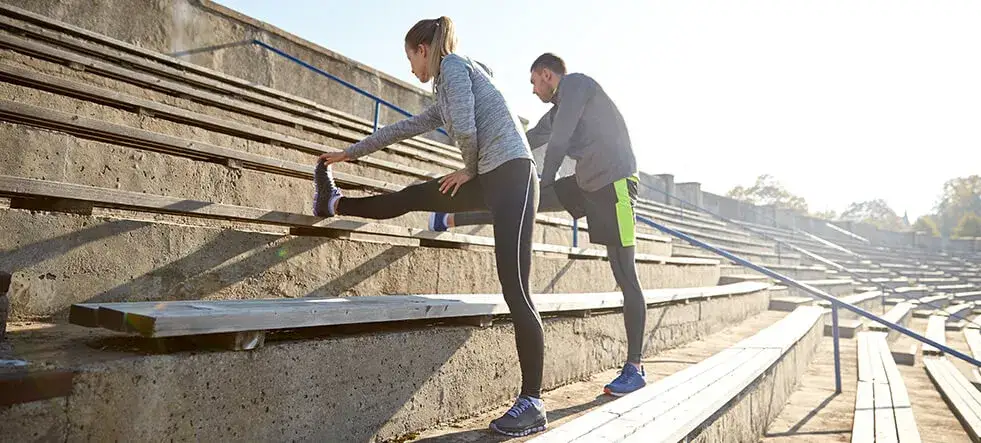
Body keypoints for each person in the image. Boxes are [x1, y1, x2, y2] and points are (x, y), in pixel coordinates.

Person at [313, 17, 547, 436]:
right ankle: (334, 201)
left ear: (424, 49)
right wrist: (350, 153)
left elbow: (472, 129)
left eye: (410, 58)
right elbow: (401, 128)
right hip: (489, 176)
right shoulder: (446, 88)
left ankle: (532, 401)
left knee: (515, 289)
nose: (411, 69)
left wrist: (467, 170)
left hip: (511, 176)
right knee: (414, 195)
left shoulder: (454, 67)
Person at [429, 53, 648, 396]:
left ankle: (635, 367)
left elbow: (559, 141)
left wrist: (543, 180)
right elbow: (526, 140)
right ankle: (453, 216)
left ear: (547, 74)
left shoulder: (577, 84)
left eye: (533, 82)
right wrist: (479, 158)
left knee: (624, 273)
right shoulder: (555, 113)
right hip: (587, 182)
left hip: (615, 181)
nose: (532, 90)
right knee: (519, 204)